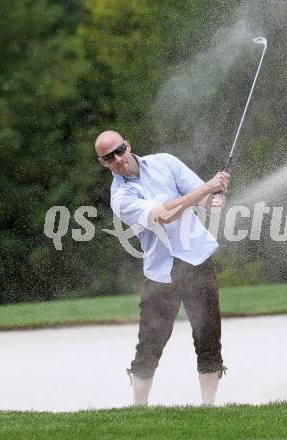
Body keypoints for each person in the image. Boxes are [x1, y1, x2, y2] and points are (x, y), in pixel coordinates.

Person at [94, 130, 230, 406]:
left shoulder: (165, 162)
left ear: (128, 145)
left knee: (208, 337)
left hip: (197, 260)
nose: (118, 159)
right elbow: (165, 215)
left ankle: (209, 408)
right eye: (110, 157)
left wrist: (214, 198)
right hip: (160, 273)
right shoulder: (120, 197)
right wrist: (206, 189)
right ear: (103, 163)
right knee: (149, 344)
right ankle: (139, 409)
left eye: (119, 150)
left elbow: (203, 200)